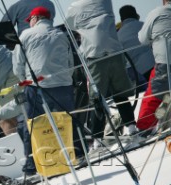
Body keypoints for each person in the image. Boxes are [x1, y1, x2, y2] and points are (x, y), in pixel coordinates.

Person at [14, 6, 79, 175]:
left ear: (35, 18)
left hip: (37, 88)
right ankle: (76, 154)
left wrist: (24, 81)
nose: (29, 24)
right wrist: (66, 79)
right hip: (64, 85)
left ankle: (31, 166)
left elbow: (17, 66)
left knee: (35, 125)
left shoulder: (26, 35)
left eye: (30, 21)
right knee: (67, 122)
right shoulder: (61, 35)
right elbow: (70, 62)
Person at [66, 0, 138, 151]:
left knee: (97, 99)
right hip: (115, 51)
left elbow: (71, 26)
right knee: (120, 94)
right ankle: (132, 128)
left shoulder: (73, 8)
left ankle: (98, 141)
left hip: (94, 56)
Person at [138, 0, 171, 130]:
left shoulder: (157, 12)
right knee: (167, 96)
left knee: (155, 96)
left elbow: (142, 39)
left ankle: (145, 128)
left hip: (165, 62)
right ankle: (162, 121)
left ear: (164, 1)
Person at [117, 5, 155, 86]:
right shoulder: (145, 26)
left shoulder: (118, 36)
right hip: (154, 66)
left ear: (121, 19)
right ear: (136, 15)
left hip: (138, 75)